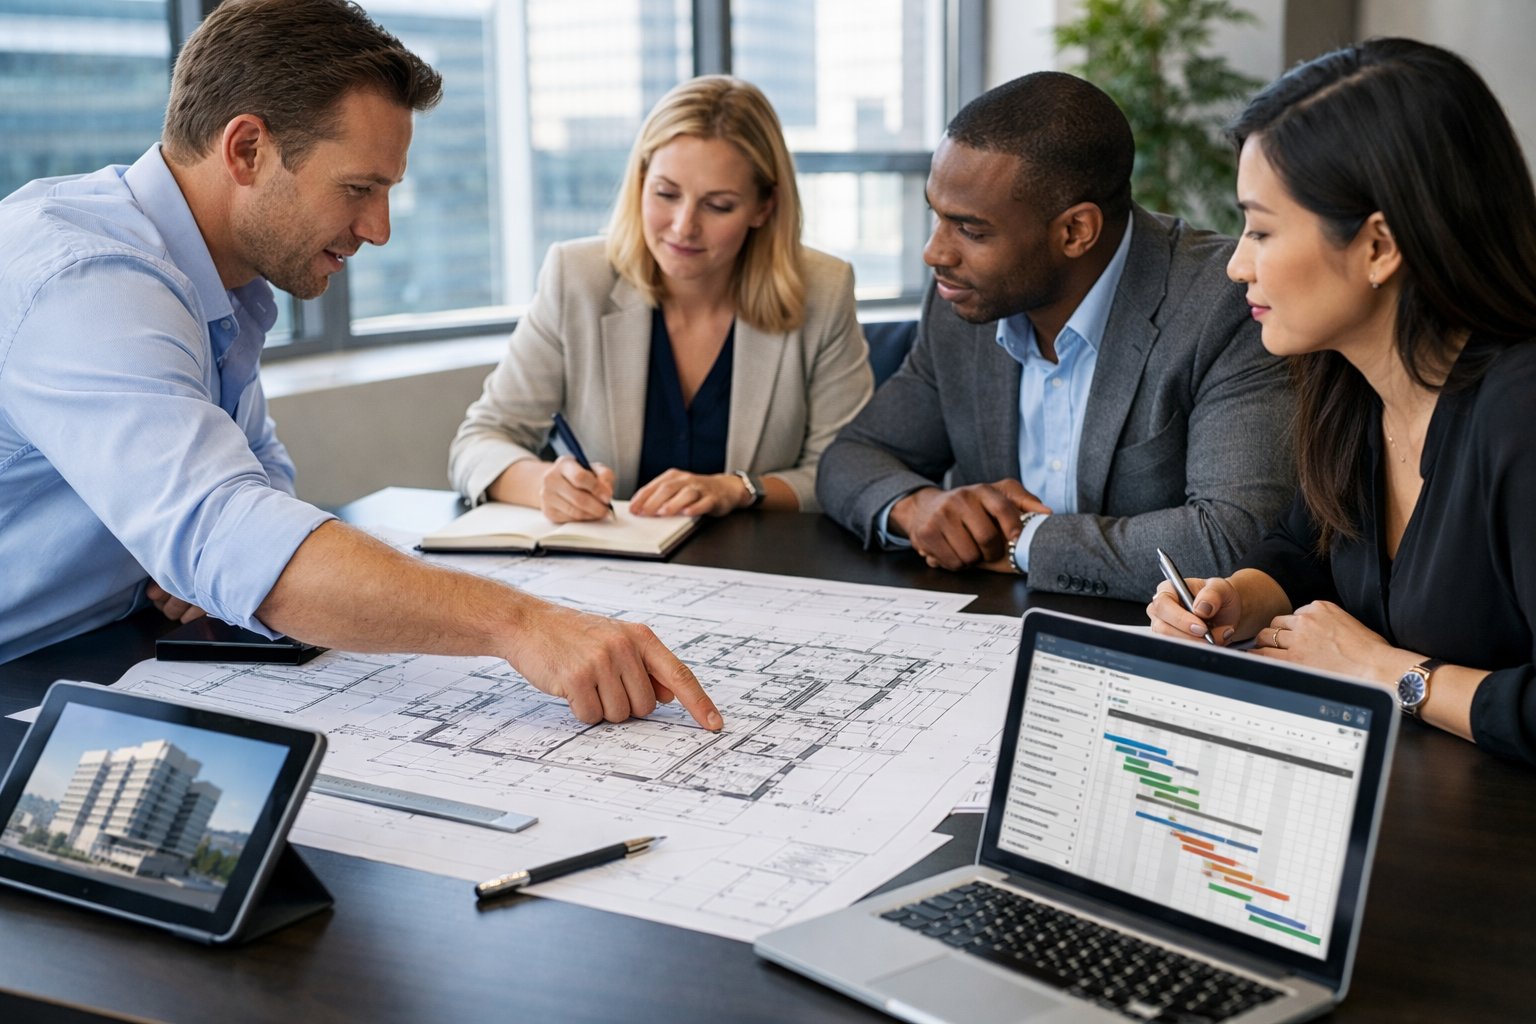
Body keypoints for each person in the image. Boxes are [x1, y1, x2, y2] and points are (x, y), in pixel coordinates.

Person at [0, 0, 721, 732]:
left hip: (97, 654)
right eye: (358, 189)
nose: (378, 229)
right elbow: (232, 529)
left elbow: (262, 484)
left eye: (387, 191)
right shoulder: (87, 281)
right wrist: (522, 625)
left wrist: (215, 554)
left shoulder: (226, 282)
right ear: (246, 149)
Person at [1146, 39, 1536, 765]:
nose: (1236, 263)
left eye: (1261, 229)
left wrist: (1387, 673)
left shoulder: (1520, 411)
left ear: (1379, 246)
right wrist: (1241, 597)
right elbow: (1306, 550)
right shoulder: (1353, 380)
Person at [816, 72, 1294, 601]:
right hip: (987, 635)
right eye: (936, 217)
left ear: (1075, 231)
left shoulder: (1225, 303)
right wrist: (915, 506)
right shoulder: (961, 300)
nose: (935, 253)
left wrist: (1022, 540)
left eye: (970, 231)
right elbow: (853, 456)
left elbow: (1233, 538)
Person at [449, 75, 872, 521]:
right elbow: (480, 440)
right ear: (640, 180)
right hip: (606, 571)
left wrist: (740, 489)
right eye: (666, 194)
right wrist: (543, 485)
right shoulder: (576, 277)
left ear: (763, 207)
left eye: (718, 205)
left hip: (759, 571)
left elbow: (847, 471)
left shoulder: (823, 290)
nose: (683, 226)